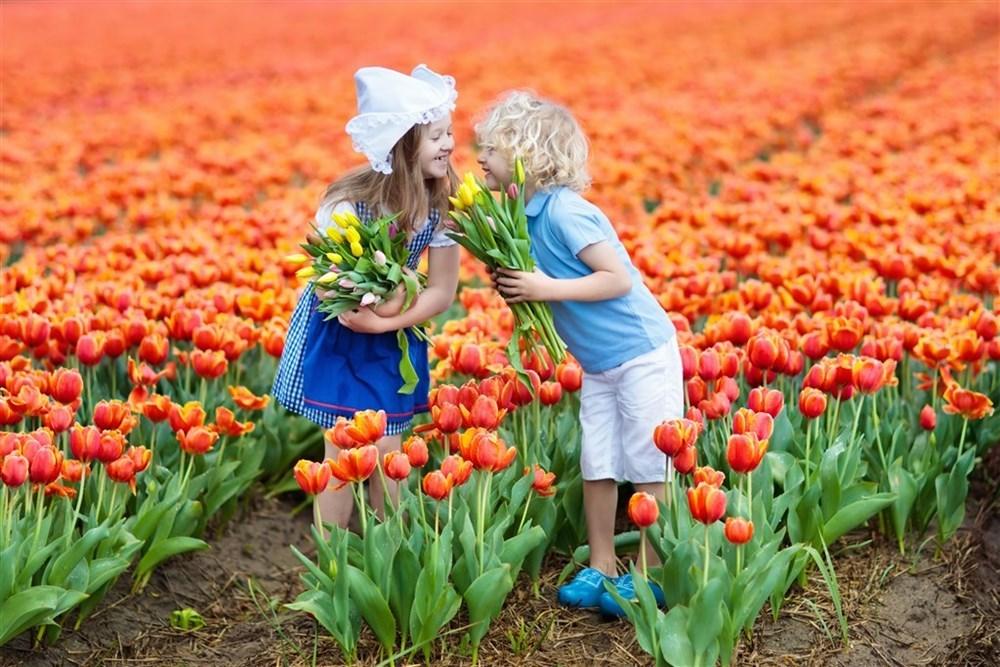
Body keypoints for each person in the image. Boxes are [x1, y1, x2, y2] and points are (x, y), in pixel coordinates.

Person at [477, 91, 682, 617]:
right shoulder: (515, 218)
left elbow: (617, 279)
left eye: (490, 148)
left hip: (640, 353)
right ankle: (603, 564)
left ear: (527, 155)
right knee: (597, 461)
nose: (479, 158)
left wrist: (544, 288)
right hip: (598, 363)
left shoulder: (567, 212)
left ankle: (653, 574)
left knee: (647, 461)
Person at [273, 64, 461, 527]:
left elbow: (442, 290)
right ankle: (332, 562)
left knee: (388, 446)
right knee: (341, 446)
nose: (450, 145)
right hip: (341, 332)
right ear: (402, 144)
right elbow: (335, 283)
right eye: (436, 137)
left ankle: (389, 550)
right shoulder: (346, 205)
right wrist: (376, 309)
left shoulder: (441, 207)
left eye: (448, 133)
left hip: (391, 335)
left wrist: (388, 319)